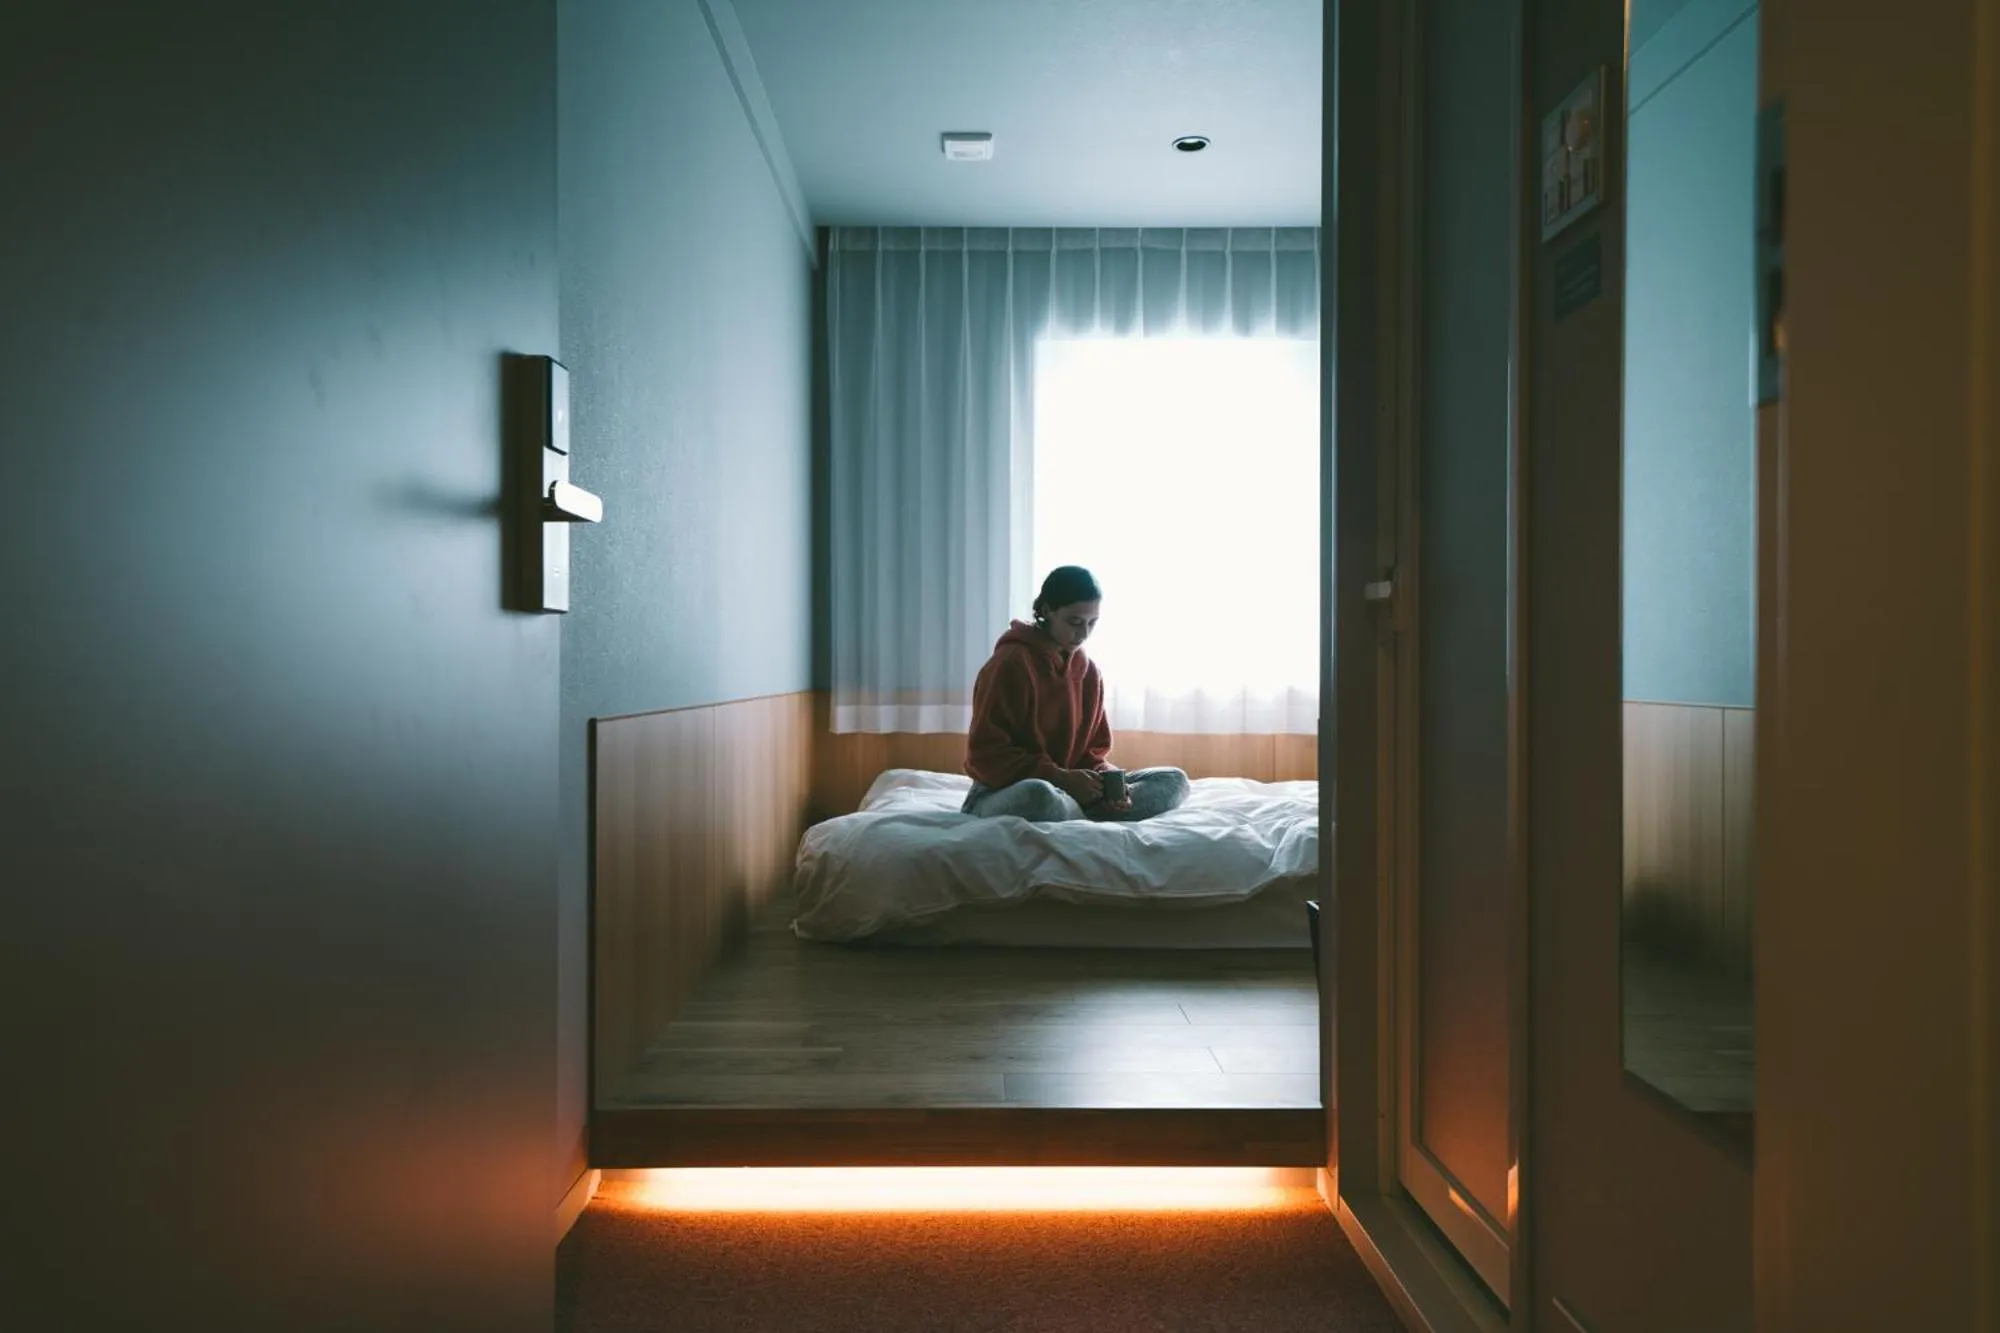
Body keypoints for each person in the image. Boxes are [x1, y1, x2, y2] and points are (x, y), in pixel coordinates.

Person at [961, 565, 1191, 823]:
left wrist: (1108, 783)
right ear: (1047, 611)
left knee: (1175, 780)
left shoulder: (1089, 671)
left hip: (1071, 790)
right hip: (1003, 791)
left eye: (1092, 623)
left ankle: (1091, 810)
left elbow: (1092, 754)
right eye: (1074, 622)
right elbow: (985, 757)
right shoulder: (1010, 664)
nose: (1083, 634)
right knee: (1040, 797)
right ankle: (1088, 814)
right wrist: (1060, 778)